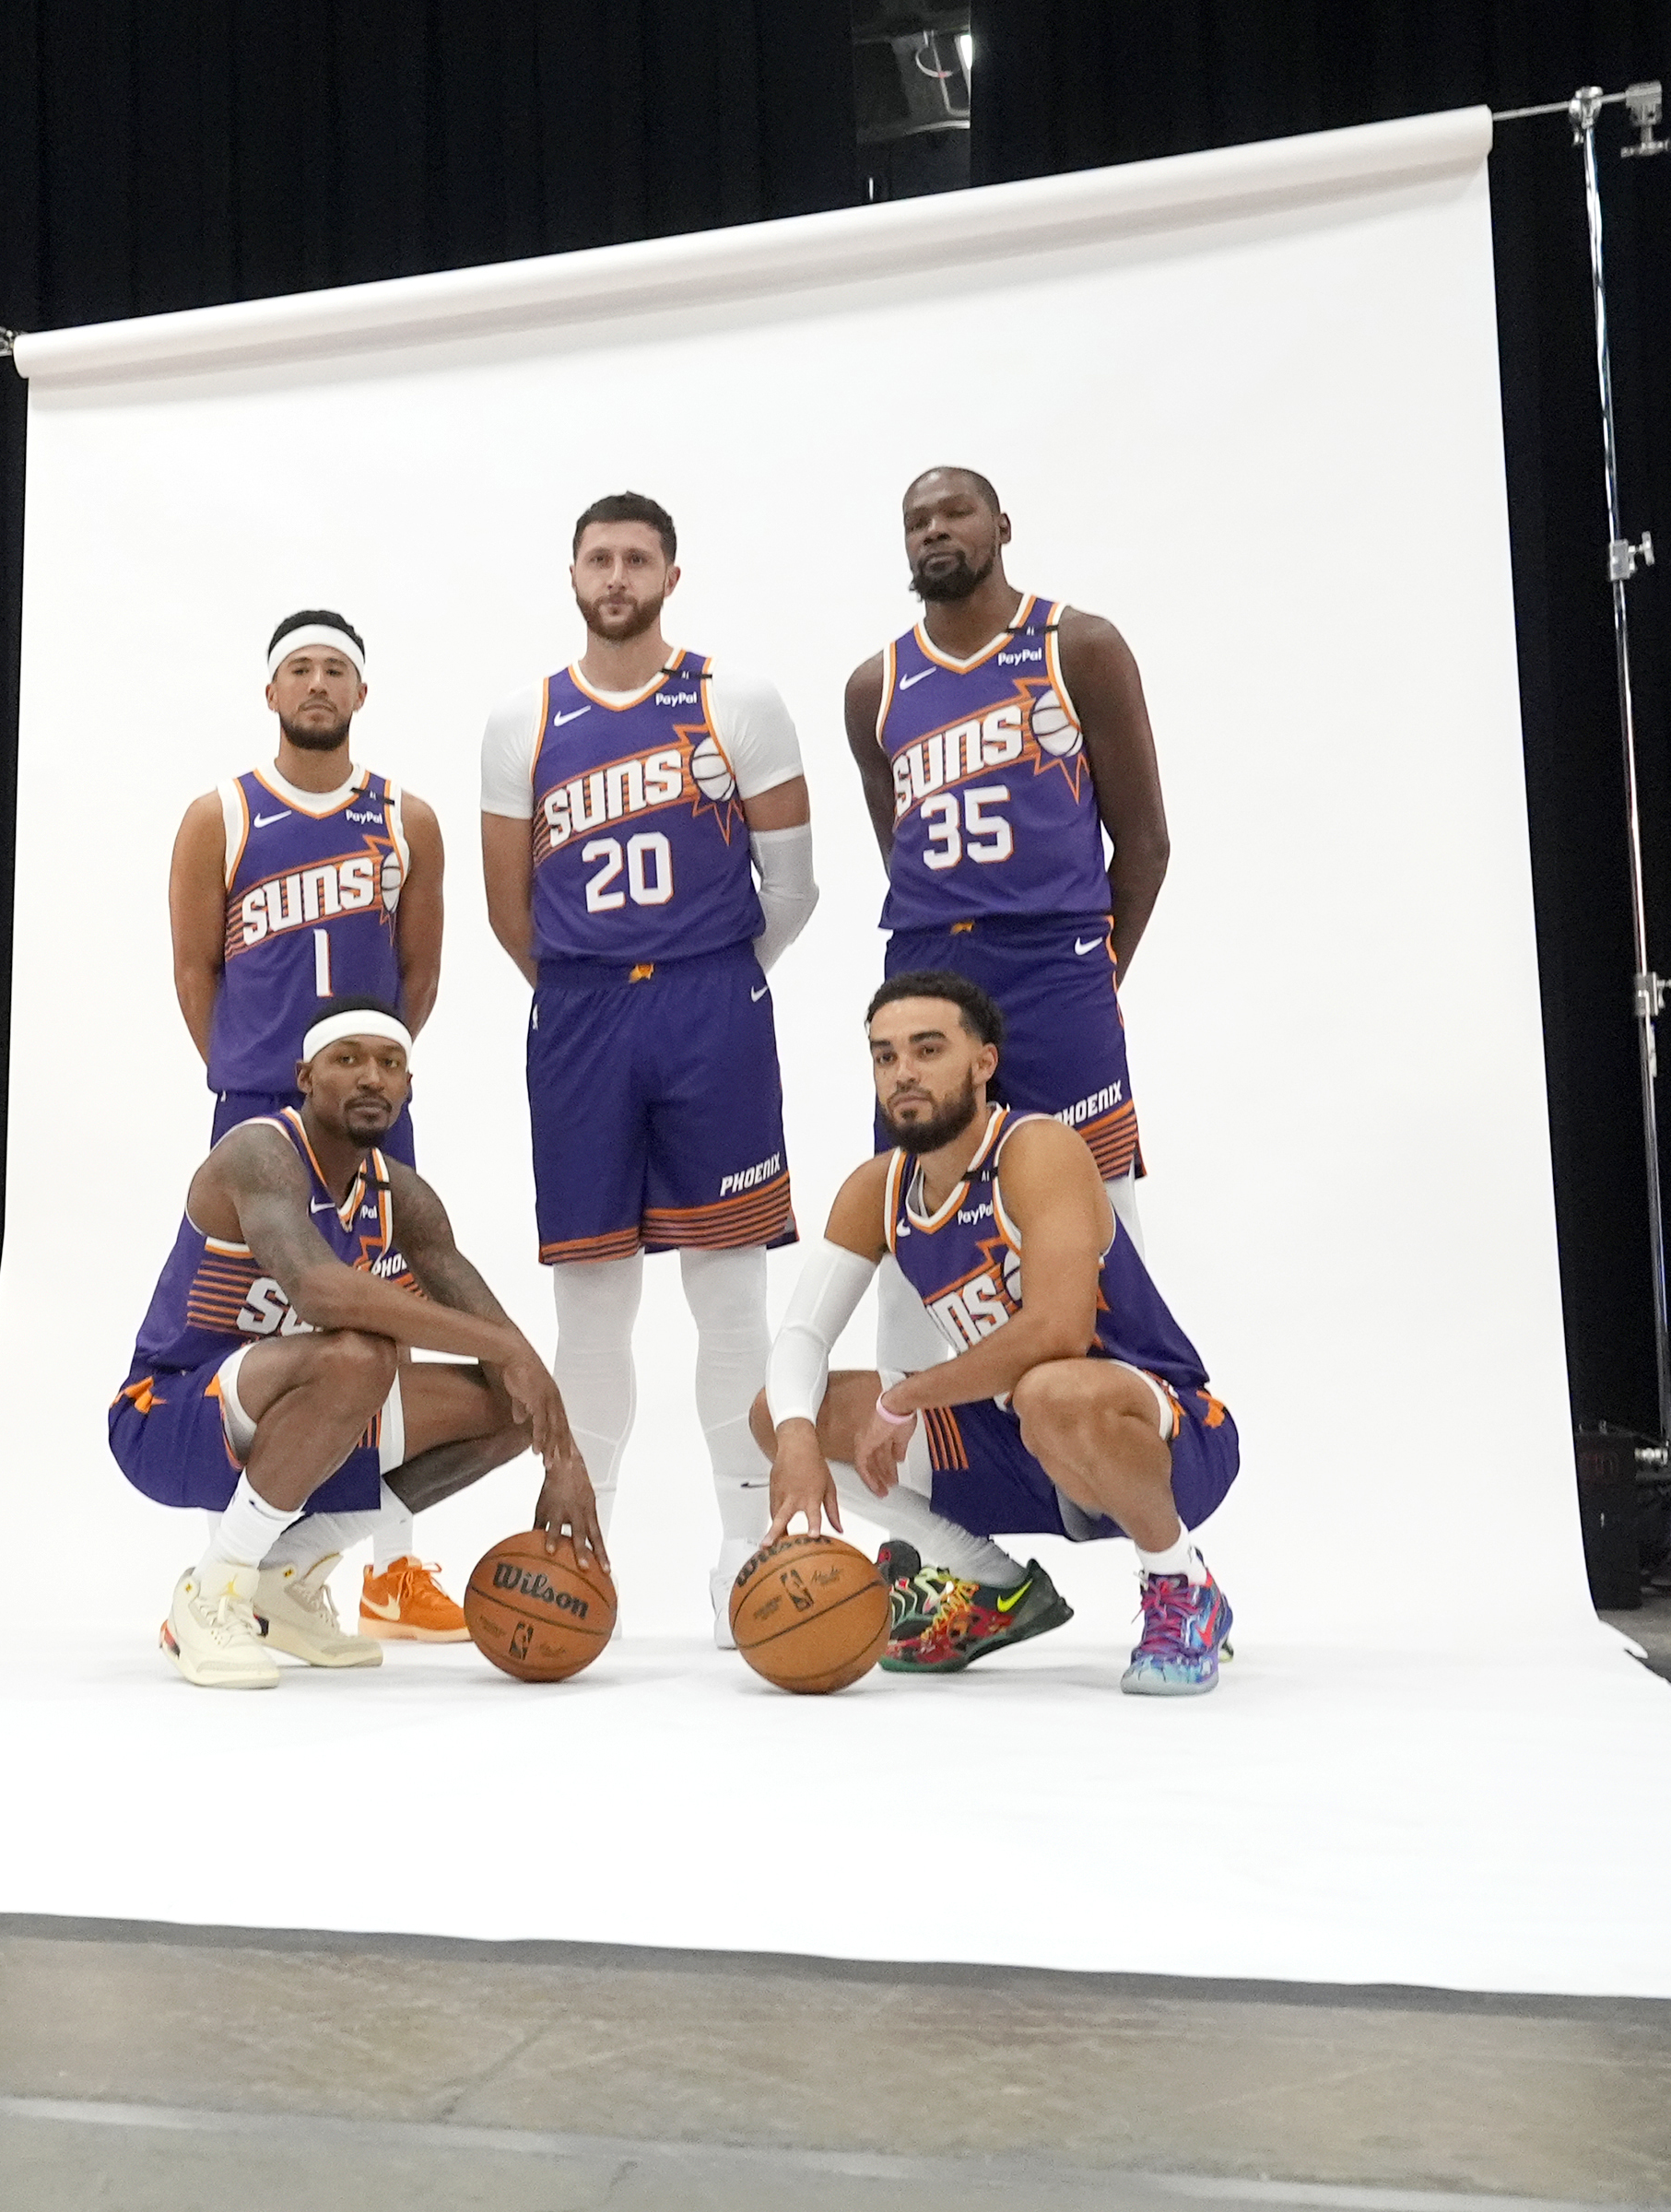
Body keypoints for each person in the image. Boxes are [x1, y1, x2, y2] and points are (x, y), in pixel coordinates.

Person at [479, 491, 820, 1645]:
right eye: (598, 558)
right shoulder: (521, 718)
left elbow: (797, 890)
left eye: (637, 558)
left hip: (712, 1004)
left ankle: (742, 1548)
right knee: (589, 1301)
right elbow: (507, 912)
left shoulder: (738, 701)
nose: (616, 575)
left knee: (729, 1293)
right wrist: (600, 988)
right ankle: (587, 1541)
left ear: (672, 574)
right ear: (571, 574)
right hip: (579, 1018)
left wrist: (711, 977)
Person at [753, 973, 1237, 1695]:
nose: (903, 1072)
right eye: (885, 1057)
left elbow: (1056, 1332)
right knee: (780, 1411)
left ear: (984, 1063)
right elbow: (799, 1339)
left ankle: (1181, 1584)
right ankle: (992, 1586)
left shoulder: (1036, 1151)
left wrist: (906, 1397)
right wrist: (794, 1439)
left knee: (1050, 1389)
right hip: (1022, 1444)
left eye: (927, 1049)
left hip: (1166, 1435)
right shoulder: (878, 1189)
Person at [111, 1000, 597, 1688]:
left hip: (290, 1416)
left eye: (390, 1064)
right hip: (167, 1416)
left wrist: (564, 1459)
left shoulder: (404, 1198)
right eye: (349, 1060)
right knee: (360, 1352)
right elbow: (321, 1293)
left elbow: (508, 1359)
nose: (372, 1077)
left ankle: (288, 1574)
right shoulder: (259, 1154)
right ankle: (211, 1590)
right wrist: (504, 1345)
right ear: (305, 1077)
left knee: (506, 1406)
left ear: (407, 1087)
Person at [839, 468, 1176, 1429]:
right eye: (916, 520)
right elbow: (897, 843)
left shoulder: (1080, 646)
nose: (935, 531)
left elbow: (1144, 842)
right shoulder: (877, 685)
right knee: (915, 1217)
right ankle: (937, 1521)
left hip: (1057, 963)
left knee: (1099, 1210)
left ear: (1001, 525)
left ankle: (1144, 1453)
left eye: (955, 512)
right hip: (930, 969)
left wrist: (1097, 967)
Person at [166, 609, 465, 1638]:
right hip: (258, 1098)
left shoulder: (405, 818)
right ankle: (243, 1558)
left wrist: (368, 1070)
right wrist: (252, 1072)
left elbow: (419, 972)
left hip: (368, 1112)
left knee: (391, 1317)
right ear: (272, 692)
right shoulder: (223, 813)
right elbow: (194, 969)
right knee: (264, 1320)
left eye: (336, 669)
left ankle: (387, 1567)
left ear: (361, 693)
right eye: (300, 669)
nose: (318, 684)